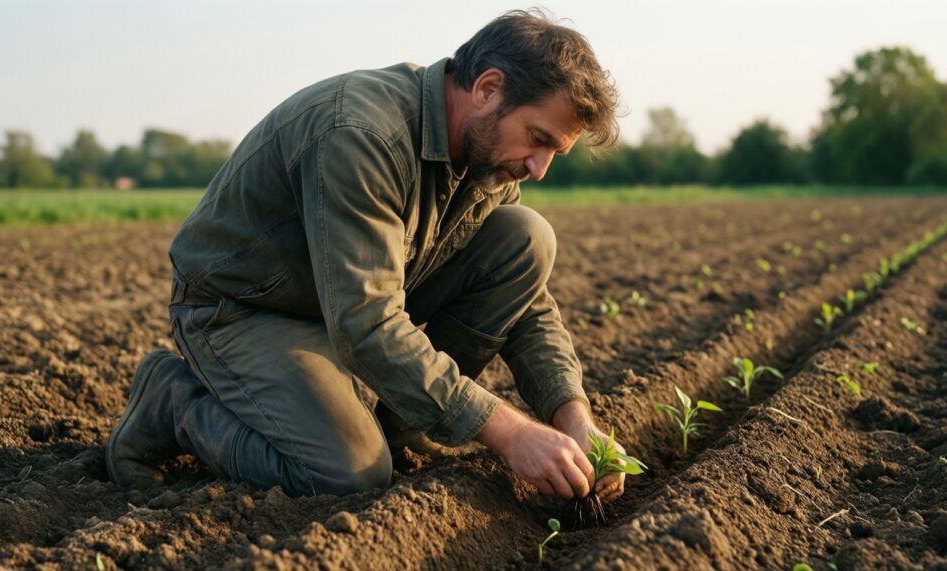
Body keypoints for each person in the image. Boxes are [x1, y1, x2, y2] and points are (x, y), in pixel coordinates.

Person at [107, 9, 628, 503]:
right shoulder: (362, 134)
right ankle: (173, 403)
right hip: (243, 308)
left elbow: (527, 304)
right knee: (347, 473)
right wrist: (510, 432)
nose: (539, 169)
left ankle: (402, 424)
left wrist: (571, 414)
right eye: (537, 140)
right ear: (487, 89)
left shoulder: (484, 156)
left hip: (333, 301)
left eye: (553, 153)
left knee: (526, 236)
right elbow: (365, 324)